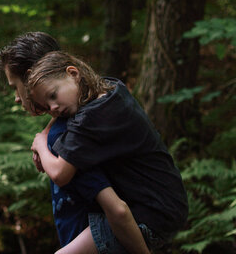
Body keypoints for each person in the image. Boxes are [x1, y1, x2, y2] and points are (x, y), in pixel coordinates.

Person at [0, 32, 150, 254]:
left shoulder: (70, 138)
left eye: (15, 86)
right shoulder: (93, 109)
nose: (17, 98)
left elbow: (114, 207)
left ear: (32, 78)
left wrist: (44, 141)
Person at [27, 50, 189, 253]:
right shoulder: (111, 89)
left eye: (53, 95)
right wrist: (47, 129)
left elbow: (60, 174)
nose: (54, 108)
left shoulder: (89, 120)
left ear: (73, 73)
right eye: (47, 106)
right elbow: (63, 107)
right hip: (171, 203)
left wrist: (41, 144)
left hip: (150, 215)